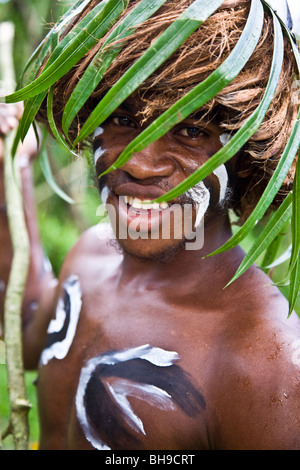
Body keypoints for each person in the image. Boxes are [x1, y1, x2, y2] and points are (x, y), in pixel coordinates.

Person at [0, 0, 300, 450]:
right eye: (122, 120)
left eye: (192, 131)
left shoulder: (265, 359)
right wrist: (14, 171)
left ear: (248, 154)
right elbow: (26, 341)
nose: (138, 162)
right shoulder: (91, 252)